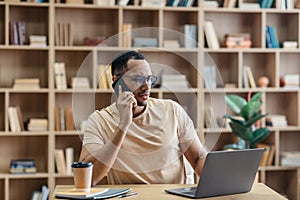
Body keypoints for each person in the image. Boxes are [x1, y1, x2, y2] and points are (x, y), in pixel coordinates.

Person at [79, 50, 208, 186]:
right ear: (117, 82)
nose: (147, 86)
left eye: (149, 79)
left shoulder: (172, 110)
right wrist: (123, 125)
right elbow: (87, 177)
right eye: (138, 79)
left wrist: (218, 184)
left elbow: (198, 158)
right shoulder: (99, 120)